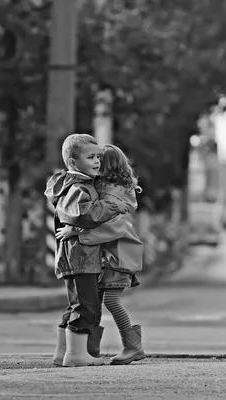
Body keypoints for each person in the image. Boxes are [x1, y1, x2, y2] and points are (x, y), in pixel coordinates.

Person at [56, 144, 145, 366]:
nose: (95, 164)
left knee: (111, 301)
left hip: (120, 258)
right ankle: (90, 349)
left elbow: (111, 227)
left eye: (98, 160)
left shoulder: (115, 198)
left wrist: (75, 231)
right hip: (114, 257)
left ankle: (132, 346)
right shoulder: (114, 193)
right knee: (96, 301)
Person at [44, 134, 128, 367]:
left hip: (77, 256)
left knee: (76, 305)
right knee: (87, 307)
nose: (97, 161)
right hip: (80, 256)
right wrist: (111, 206)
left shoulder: (75, 184)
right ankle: (76, 355)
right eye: (91, 157)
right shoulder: (78, 187)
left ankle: (64, 353)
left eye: (98, 157)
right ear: (73, 163)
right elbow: (84, 214)